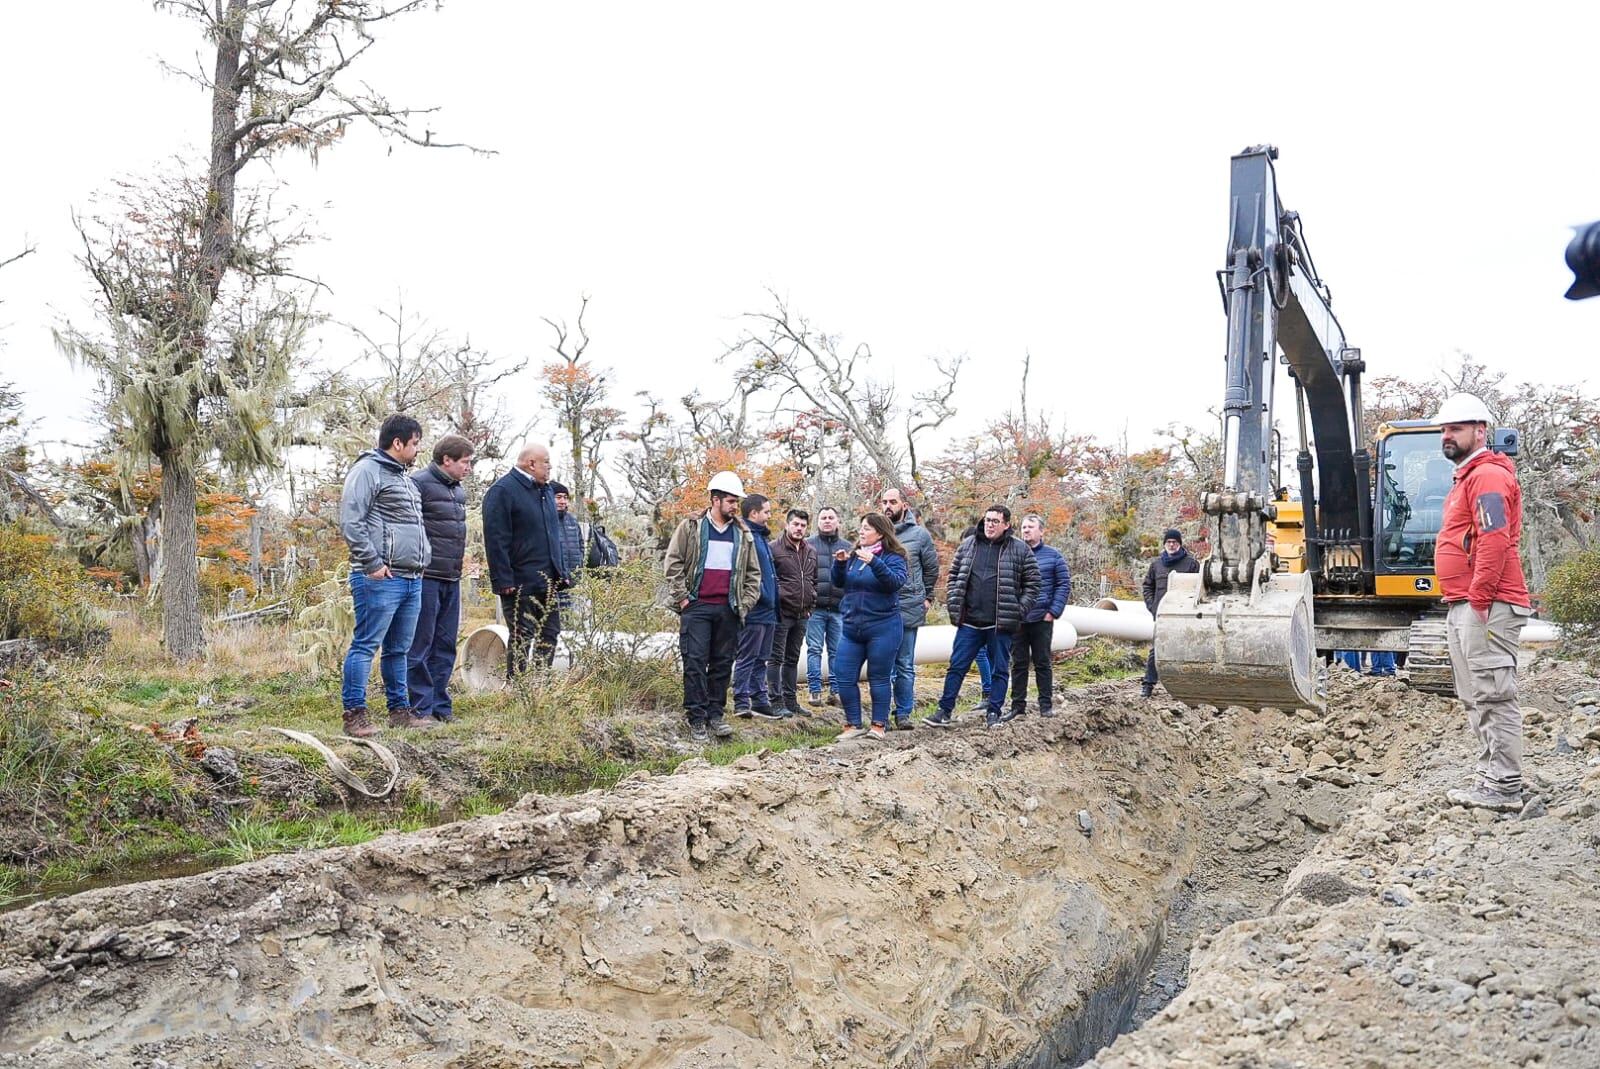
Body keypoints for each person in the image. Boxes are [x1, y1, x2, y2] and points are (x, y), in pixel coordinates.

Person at [1433, 393, 1535, 812]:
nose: (1447, 436)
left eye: (1455, 428)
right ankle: (1491, 776)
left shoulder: (1487, 476)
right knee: (1476, 694)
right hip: (1467, 603)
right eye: (1443, 430)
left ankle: (1505, 785)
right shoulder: (1466, 477)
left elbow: (1493, 539)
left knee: (1493, 693)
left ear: (1481, 431)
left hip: (1486, 604)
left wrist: (1478, 597)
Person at [339, 414, 433, 737]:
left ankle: (399, 711)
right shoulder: (367, 471)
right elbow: (352, 521)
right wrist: (372, 564)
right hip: (380, 578)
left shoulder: (406, 479)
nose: (418, 449)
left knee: (398, 650)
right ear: (398, 443)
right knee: (366, 645)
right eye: (415, 443)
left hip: (412, 578)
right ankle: (355, 714)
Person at [664, 471, 764, 742]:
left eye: (737, 501)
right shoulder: (691, 527)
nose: (735, 506)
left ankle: (715, 715)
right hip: (697, 606)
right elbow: (672, 563)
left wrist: (744, 604)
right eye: (731, 501)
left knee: (722, 664)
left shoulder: (742, 533)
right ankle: (696, 719)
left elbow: (754, 574)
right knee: (695, 662)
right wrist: (683, 598)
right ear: (715, 500)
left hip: (728, 609)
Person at [926, 505, 1040, 729]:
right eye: (987, 520)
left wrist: (1018, 611)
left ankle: (993, 712)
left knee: (999, 669)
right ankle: (944, 710)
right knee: (957, 666)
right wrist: (954, 603)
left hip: (999, 623)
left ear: (1006, 525)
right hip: (969, 621)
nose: (989, 525)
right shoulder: (969, 545)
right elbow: (954, 576)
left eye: (995, 521)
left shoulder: (1019, 549)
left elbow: (1033, 584)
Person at [483, 443, 569, 679]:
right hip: (520, 582)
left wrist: (560, 572)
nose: (550, 467)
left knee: (550, 633)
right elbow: (495, 539)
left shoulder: (546, 491)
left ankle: (539, 685)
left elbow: (552, 536)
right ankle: (518, 689)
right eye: (546, 462)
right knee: (523, 636)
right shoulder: (503, 491)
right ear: (531, 464)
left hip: (548, 580)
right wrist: (503, 580)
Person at [406, 433, 474, 723]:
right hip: (426, 576)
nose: (469, 468)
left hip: (451, 576)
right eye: (465, 462)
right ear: (447, 459)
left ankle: (440, 707)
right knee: (421, 643)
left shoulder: (458, 491)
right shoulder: (418, 484)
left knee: (446, 644)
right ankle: (420, 708)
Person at [831, 513, 909, 741]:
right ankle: (853, 724)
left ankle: (878, 725)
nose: (861, 532)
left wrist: (875, 562)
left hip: (883, 627)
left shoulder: (895, 556)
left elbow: (894, 582)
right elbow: (840, 582)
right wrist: (840, 564)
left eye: (866, 528)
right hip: (852, 627)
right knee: (843, 675)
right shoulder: (855, 555)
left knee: (879, 677)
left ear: (880, 533)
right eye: (861, 527)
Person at [880, 487, 941, 730]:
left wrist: (927, 597)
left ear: (903, 505)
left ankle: (903, 713)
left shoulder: (919, 535)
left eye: (892, 501)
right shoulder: (876, 532)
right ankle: (880, 716)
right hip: (881, 609)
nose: (888, 505)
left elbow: (931, 568)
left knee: (904, 664)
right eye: (884, 501)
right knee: (882, 665)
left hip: (909, 606)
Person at [1010, 514, 1071, 719]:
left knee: (1042, 662)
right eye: (1024, 527)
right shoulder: (1013, 553)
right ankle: (1017, 707)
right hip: (1018, 619)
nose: (1026, 530)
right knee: (1018, 663)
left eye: (1031, 527)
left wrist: (1053, 611)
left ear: (1041, 531)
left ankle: (1045, 705)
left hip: (1041, 618)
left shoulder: (1053, 556)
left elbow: (1063, 584)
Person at [732, 494, 781, 718]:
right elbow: (744, 571)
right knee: (747, 656)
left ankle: (760, 699)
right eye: (766, 512)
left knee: (762, 657)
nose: (769, 516)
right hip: (754, 609)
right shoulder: (745, 535)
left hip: (770, 610)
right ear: (754, 513)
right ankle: (741, 700)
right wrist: (758, 595)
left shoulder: (762, 537)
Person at [767, 508, 817, 718]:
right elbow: (769, 580)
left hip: (802, 614)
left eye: (803, 525)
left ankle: (791, 700)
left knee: (792, 659)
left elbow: (814, 580)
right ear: (787, 525)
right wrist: (780, 598)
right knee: (775, 658)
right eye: (795, 524)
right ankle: (775, 701)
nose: (799, 529)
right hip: (781, 613)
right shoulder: (774, 549)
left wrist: (812, 601)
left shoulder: (811, 551)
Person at [1141, 528, 1200, 698]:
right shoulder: (1156, 565)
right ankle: (1148, 685)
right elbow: (1147, 587)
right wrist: (1153, 607)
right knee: (1157, 650)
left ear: (1180, 544)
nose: (1171, 545)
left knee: (1187, 650)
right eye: (1169, 542)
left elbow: (1199, 588)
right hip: (1162, 616)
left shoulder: (1191, 564)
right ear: (1165, 544)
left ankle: (1188, 687)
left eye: (1174, 542)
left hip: (1184, 615)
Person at [805, 506, 849, 707]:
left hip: (839, 609)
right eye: (823, 517)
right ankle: (814, 691)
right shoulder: (808, 545)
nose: (827, 521)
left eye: (831, 517)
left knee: (837, 651)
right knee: (814, 649)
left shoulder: (848, 547)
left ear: (838, 521)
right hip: (815, 608)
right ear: (818, 521)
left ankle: (836, 691)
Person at [550, 481, 585, 613]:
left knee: (569, 617)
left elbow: (581, 545)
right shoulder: (545, 520)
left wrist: (579, 567)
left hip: (572, 579)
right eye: (558, 497)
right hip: (553, 581)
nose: (563, 501)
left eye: (565, 498)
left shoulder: (572, 521)